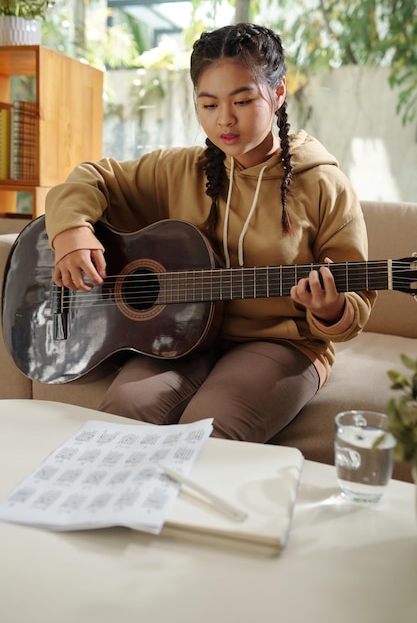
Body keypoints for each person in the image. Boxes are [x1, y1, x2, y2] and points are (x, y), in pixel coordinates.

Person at [45, 22, 376, 443]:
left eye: (242, 100)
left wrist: (331, 310)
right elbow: (91, 178)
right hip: (181, 333)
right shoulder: (181, 169)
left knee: (211, 429)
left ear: (277, 93)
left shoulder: (324, 184)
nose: (224, 119)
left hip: (281, 343)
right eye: (208, 104)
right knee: (124, 416)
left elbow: (357, 296)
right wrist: (72, 232)